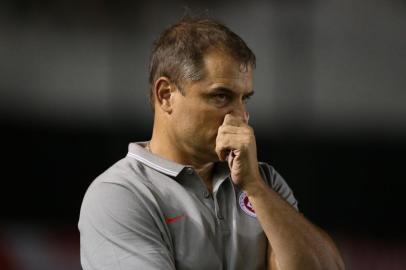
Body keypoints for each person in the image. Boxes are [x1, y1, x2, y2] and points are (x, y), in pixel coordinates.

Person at [78, 17, 344, 270]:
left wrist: (255, 188)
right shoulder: (121, 194)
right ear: (166, 95)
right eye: (220, 96)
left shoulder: (264, 182)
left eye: (244, 99)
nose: (240, 116)